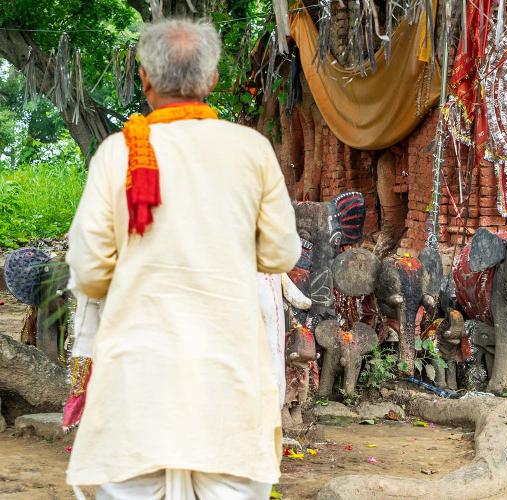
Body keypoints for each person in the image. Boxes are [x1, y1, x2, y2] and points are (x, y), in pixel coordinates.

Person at [65, 18, 300, 499]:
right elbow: (280, 253)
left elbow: (89, 270)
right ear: (211, 81)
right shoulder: (252, 151)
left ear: (145, 79)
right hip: (227, 383)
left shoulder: (116, 155)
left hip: (137, 386)